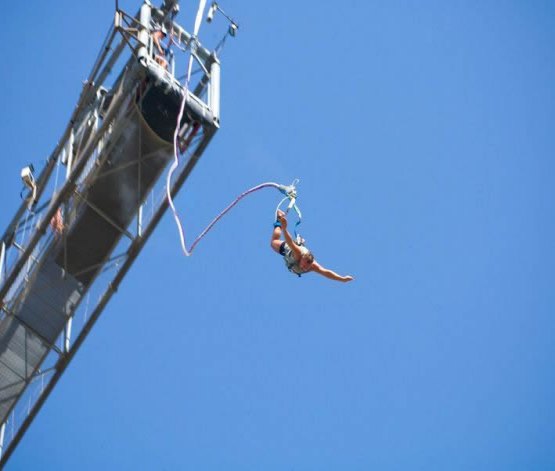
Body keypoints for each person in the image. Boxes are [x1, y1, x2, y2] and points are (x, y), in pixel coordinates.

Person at [270, 210, 354, 282]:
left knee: (285, 246)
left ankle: (298, 240)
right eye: (304, 266)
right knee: (273, 242)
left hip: (291, 260)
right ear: (302, 258)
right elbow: (290, 242)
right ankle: (279, 221)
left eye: (305, 267)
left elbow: (326, 272)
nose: (303, 268)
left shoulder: (313, 266)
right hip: (289, 250)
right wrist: (284, 228)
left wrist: (342, 279)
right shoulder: (298, 253)